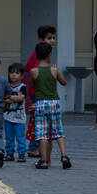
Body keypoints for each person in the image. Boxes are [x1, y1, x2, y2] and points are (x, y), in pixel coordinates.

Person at [30, 42, 71, 170]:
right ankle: (64, 156)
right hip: (54, 103)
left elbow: (33, 86)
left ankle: (43, 161)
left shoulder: (33, 71)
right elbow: (63, 83)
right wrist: (56, 74)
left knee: (42, 133)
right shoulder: (54, 70)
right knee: (58, 131)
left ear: (37, 55)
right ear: (49, 55)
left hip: (40, 103)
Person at [24, 26, 57, 149]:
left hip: (36, 92)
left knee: (38, 118)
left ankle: (35, 147)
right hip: (39, 93)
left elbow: (27, 68)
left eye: (54, 38)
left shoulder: (39, 53)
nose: (53, 40)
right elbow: (33, 70)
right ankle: (34, 147)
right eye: (49, 38)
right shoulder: (40, 55)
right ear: (41, 40)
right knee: (40, 119)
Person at [3, 62, 28, 163]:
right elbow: (4, 99)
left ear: (22, 76)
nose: (13, 75)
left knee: (20, 137)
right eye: (11, 72)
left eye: (17, 73)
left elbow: (21, 99)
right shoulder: (6, 86)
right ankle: (9, 154)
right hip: (8, 116)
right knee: (9, 137)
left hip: (19, 118)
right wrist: (14, 98)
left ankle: (22, 154)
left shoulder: (23, 87)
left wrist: (10, 98)